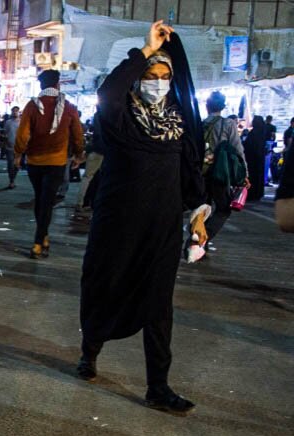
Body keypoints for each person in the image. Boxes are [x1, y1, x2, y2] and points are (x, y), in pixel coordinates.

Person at [77, 20, 207, 414]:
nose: (158, 81)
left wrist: (198, 217)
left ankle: (158, 385)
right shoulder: (120, 118)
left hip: (161, 227)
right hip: (117, 224)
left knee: (159, 306)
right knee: (104, 288)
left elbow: (192, 174)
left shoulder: (181, 123)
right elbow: (108, 92)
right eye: (152, 74)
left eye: (165, 75)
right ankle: (90, 351)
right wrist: (145, 51)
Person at [14, 69, 85, 258]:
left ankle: (41, 237)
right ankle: (40, 240)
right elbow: (78, 135)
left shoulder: (32, 106)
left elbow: (22, 135)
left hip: (35, 161)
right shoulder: (68, 107)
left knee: (41, 199)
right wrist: (78, 154)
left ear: (41, 85)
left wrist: (18, 153)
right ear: (58, 84)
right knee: (46, 200)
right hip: (57, 161)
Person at [201, 91, 248, 244]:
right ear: (223, 106)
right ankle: (201, 240)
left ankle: (198, 240)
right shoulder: (228, 124)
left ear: (207, 106)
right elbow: (238, 149)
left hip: (201, 172)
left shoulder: (200, 124)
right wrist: (244, 174)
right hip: (220, 173)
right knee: (223, 208)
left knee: (203, 207)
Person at [243, 116, 267, 202]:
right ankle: (258, 193)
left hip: (252, 159)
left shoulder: (253, 133)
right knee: (259, 176)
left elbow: (248, 146)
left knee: (253, 176)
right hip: (260, 158)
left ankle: (252, 194)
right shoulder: (262, 132)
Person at [1, 105, 21, 189]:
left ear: (19, 112)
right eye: (13, 111)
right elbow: (4, 133)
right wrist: (4, 143)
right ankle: (11, 181)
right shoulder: (8, 122)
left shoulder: (22, 122)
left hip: (19, 147)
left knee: (16, 165)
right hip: (9, 147)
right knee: (10, 165)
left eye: (16, 111)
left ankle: (13, 178)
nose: (15, 112)